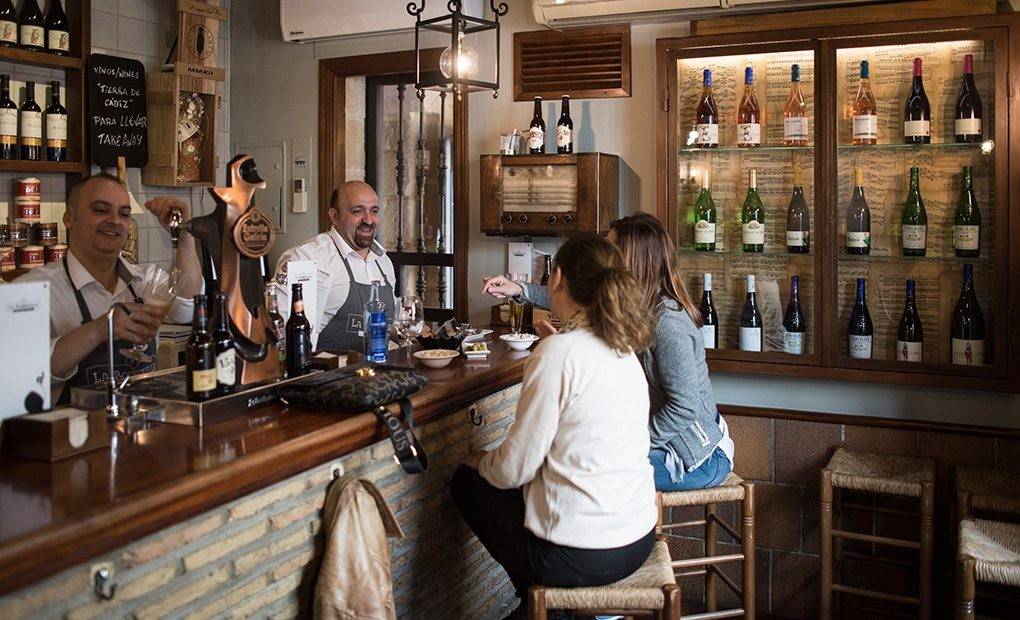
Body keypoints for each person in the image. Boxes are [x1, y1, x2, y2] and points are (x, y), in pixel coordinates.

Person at [452, 233, 657, 618]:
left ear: (557, 277)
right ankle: (548, 608)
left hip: (582, 555)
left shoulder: (560, 352)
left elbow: (514, 469)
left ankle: (543, 606)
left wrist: (478, 461)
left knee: (467, 482)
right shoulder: (624, 349)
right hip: (637, 538)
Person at [482, 213, 734, 492]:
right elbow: (572, 294)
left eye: (611, 250)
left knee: (573, 468)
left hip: (694, 456)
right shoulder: (632, 307)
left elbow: (684, 408)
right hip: (664, 444)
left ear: (630, 260)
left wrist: (631, 442)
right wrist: (519, 288)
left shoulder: (668, 325)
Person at [18, 173, 203, 404]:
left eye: (124, 214)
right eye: (101, 210)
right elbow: (19, 375)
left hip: (140, 429)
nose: (115, 220)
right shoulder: (32, 291)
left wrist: (183, 233)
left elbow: (188, 306)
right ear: (69, 218)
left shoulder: (144, 280)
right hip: (76, 435)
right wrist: (100, 330)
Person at [272, 181, 396, 351]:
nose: (368, 220)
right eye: (357, 211)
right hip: (326, 374)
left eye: (374, 211)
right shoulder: (306, 259)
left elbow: (390, 324)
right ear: (334, 216)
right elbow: (282, 335)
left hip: (377, 373)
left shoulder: (383, 262)